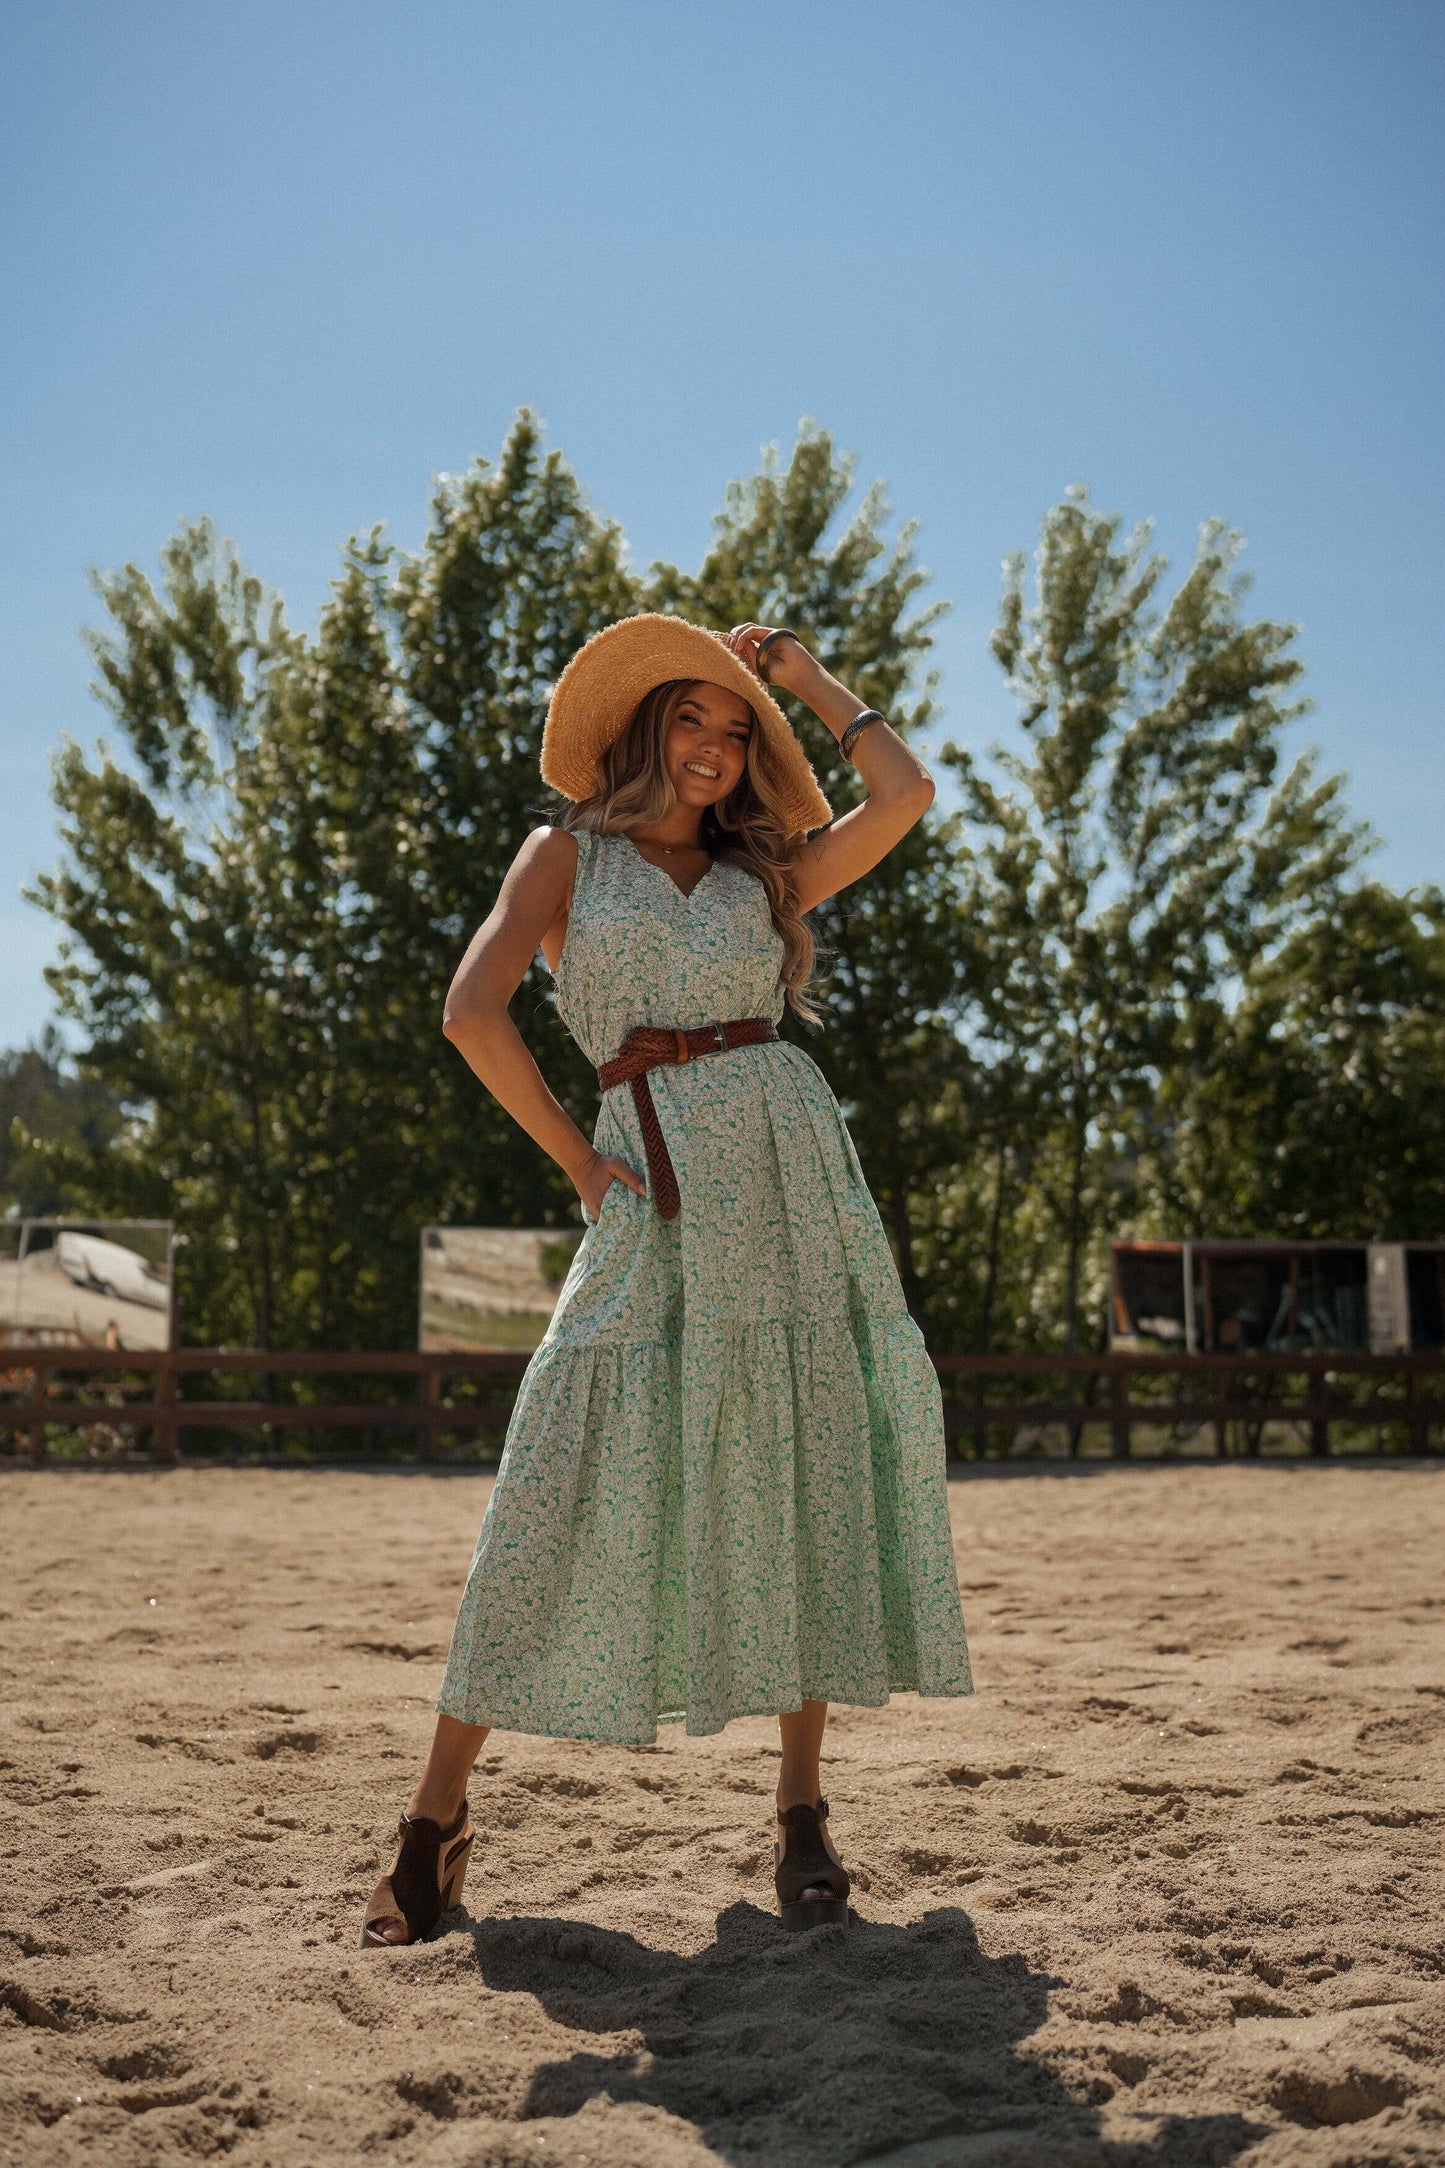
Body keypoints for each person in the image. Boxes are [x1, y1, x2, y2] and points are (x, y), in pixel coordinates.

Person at [362, 616, 973, 1948]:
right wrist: (583, 1163)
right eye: (688, 722)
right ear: (643, 733)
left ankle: (801, 1814)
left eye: (733, 728)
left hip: (789, 1171)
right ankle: (432, 1819)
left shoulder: (770, 876)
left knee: (796, 1456)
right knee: (558, 1470)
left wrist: (807, 682)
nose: (710, 749)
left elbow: (907, 796)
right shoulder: (563, 857)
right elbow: (473, 1011)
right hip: (650, 1175)